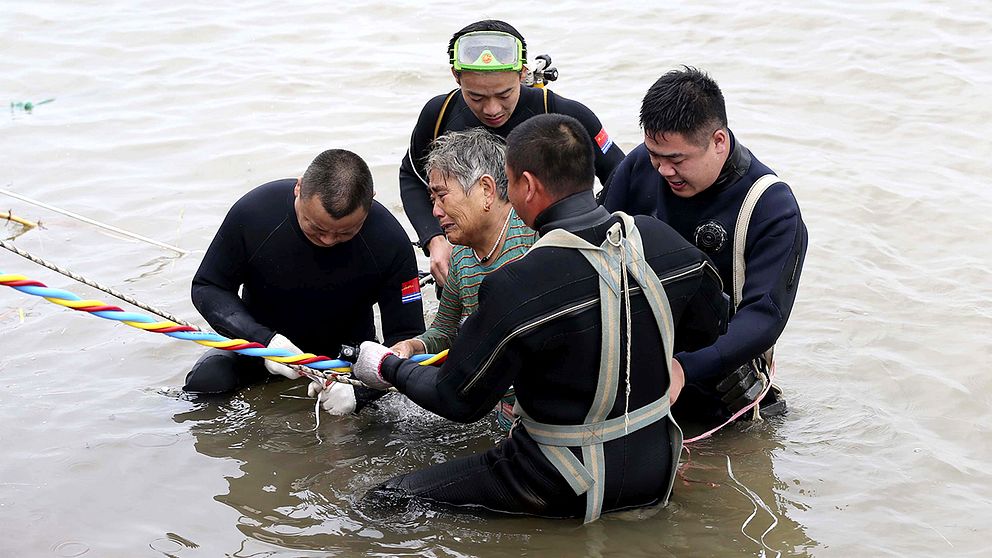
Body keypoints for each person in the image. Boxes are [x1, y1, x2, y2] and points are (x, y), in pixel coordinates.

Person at [351, 114, 727, 522]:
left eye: (510, 183)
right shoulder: (662, 240)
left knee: (388, 497)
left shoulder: (517, 282)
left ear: (526, 186)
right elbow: (712, 325)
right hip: (655, 469)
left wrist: (387, 366)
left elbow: (456, 399)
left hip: (562, 481)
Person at [602, 67, 808, 426]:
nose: (664, 171)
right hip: (637, 367)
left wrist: (684, 368)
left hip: (719, 391)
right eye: (656, 155)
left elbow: (765, 316)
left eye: (677, 160)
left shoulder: (771, 207)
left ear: (718, 142)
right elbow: (594, 247)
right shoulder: (640, 165)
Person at [185, 149, 425, 415]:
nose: (328, 241)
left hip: (345, 360)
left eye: (346, 232)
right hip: (261, 350)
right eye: (316, 228)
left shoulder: (389, 241)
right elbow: (208, 286)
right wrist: (264, 342)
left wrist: (361, 392)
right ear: (298, 189)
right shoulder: (255, 213)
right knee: (206, 382)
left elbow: (407, 339)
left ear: (370, 203)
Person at [400, 19, 625, 288]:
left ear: (522, 73)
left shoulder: (565, 115)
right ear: (456, 76)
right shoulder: (439, 114)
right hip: (468, 269)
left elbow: (622, 175)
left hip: (552, 264)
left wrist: (594, 237)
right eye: (476, 97)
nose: (492, 109)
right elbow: (411, 176)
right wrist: (434, 239)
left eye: (504, 94)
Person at [389, 128, 538, 430]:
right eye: (432, 198)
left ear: (486, 189)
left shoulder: (535, 235)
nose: (435, 211)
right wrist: (411, 347)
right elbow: (444, 333)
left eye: (442, 195)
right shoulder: (460, 257)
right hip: (499, 413)